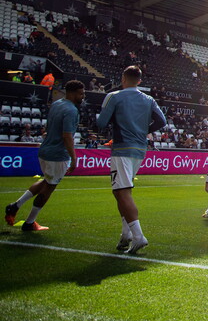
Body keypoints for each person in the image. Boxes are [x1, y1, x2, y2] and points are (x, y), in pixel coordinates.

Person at [96, 66, 166, 254]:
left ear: (123, 78)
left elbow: (101, 123)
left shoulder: (114, 96)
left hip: (122, 148)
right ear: (140, 81)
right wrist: (143, 130)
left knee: (122, 192)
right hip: (139, 149)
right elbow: (162, 121)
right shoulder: (148, 99)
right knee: (120, 192)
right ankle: (126, 234)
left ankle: (138, 236)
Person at [5, 80, 84, 231]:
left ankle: (15, 206)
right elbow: (67, 136)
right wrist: (74, 157)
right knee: (49, 187)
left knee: (46, 181)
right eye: (81, 93)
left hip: (45, 150)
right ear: (72, 93)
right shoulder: (71, 110)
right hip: (57, 154)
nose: (83, 97)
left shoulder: (57, 104)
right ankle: (30, 222)